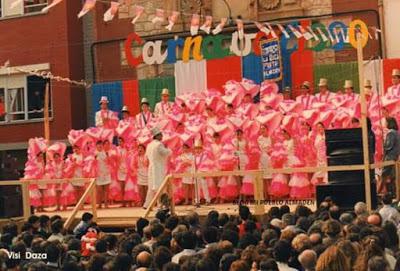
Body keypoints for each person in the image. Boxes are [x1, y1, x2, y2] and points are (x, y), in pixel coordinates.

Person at [143, 127, 172, 209]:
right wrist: (169, 149)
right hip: (158, 168)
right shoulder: (159, 144)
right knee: (160, 187)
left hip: (151, 167)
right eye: (161, 135)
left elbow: (147, 157)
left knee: (151, 187)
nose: (162, 136)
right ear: (157, 136)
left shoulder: (149, 145)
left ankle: (147, 204)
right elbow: (165, 153)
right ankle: (161, 205)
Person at [381, 117, 400, 195]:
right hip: (395, 157)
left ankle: (378, 194)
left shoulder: (391, 133)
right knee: (392, 177)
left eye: (385, 122)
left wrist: (384, 143)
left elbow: (388, 146)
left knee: (384, 176)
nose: (384, 123)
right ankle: (393, 193)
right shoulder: (396, 133)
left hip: (389, 158)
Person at [95, 140, 111, 208]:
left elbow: (109, 162)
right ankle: (99, 204)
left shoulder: (106, 153)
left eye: (101, 145)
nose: (100, 146)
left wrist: (108, 156)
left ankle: (106, 204)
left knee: (106, 190)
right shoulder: (94, 154)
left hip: (106, 173)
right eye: (98, 145)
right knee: (99, 190)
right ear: (96, 146)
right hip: (98, 174)